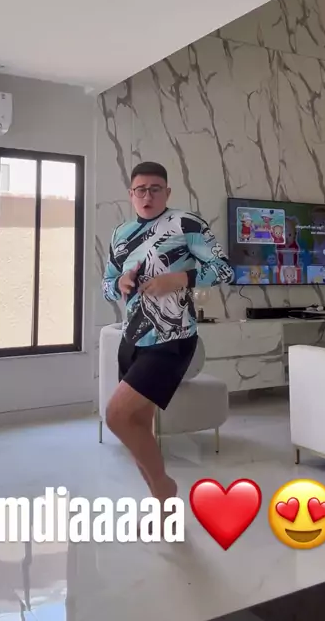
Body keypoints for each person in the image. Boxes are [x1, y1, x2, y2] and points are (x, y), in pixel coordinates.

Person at [102, 161, 234, 518]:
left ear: (167, 192)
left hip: (173, 339)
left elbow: (224, 269)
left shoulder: (186, 224)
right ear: (131, 194)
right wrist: (119, 284)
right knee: (138, 425)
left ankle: (164, 487)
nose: (147, 196)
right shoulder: (120, 234)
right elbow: (106, 284)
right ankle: (162, 505)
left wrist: (178, 279)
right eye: (140, 190)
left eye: (155, 189)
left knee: (116, 416)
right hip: (133, 339)